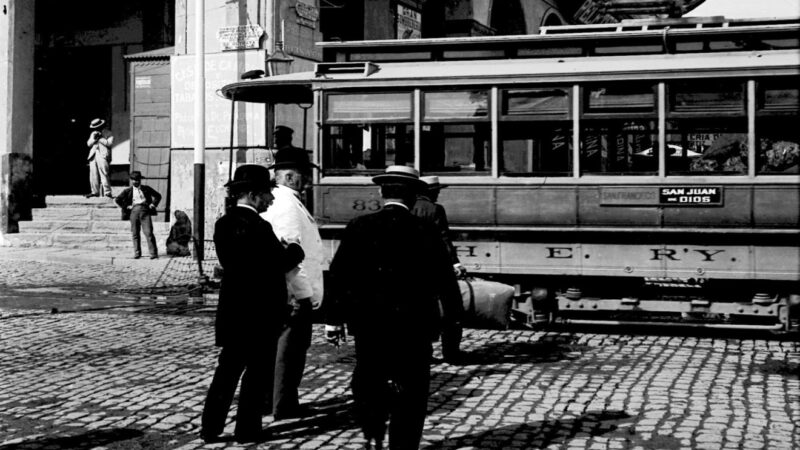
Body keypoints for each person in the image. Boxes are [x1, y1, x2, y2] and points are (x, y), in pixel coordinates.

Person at [325, 165, 459, 450]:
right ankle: (404, 445)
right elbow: (446, 281)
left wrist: (333, 320)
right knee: (412, 391)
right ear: (413, 197)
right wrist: (451, 321)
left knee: (369, 379)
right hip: (415, 326)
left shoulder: (359, 226)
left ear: (380, 192)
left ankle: (372, 431)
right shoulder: (426, 230)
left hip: (370, 324)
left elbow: (339, 275)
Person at [200, 164, 305, 444]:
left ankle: (210, 427)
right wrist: (294, 248)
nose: (270, 199)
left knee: (226, 372)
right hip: (261, 314)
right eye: (266, 194)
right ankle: (247, 429)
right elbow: (278, 264)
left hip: (234, 311)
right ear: (251, 194)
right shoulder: (259, 226)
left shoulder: (223, 224)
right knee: (256, 374)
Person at [261, 145, 323, 420]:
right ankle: (282, 404)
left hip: (289, 293)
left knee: (286, 352)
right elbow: (291, 254)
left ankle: (280, 400)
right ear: (288, 176)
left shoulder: (287, 200)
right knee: (289, 353)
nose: (307, 178)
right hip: (293, 294)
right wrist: (303, 295)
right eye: (302, 173)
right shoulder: (286, 205)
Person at [411, 175, 466, 364]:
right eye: (438, 191)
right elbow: (444, 239)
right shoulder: (435, 209)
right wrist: (455, 263)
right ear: (431, 191)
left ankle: (421, 353)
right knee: (452, 309)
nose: (439, 194)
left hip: (413, 269)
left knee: (419, 312)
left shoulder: (409, 206)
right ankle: (451, 353)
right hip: (436, 267)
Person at [114, 171, 162, 260]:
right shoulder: (127, 191)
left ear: (140, 180)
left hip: (145, 211)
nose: (135, 182)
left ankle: (153, 253)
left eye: (137, 180)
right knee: (135, 233)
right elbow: (118, 200)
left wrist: (153, 204)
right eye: (133, 180)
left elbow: (158, 196)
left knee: (148, 232)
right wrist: (126, 206)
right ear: (131, 180)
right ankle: (137, 253)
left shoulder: (146, 189)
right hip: (134, 212)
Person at [85, 118, 114, 198]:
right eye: (95, 128)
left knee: (104, 173)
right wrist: (94, 139)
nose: (96, 129)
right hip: (94, 154)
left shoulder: (108, 133)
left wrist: (101, 138)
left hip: (103, 155)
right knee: (93, 174)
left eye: (98, 127)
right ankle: (95, 192)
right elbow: (88, 144)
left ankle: (107, 192)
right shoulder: (93, 133)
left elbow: (109, 144)